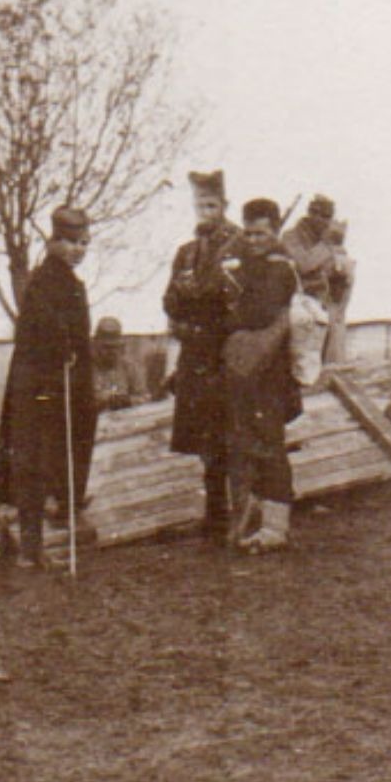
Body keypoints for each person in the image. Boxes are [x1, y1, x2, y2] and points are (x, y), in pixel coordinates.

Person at [0, 206, 97, 569]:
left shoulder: (70, 282)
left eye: (83, 243)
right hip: (41, 388)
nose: (77, 250)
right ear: (54, 242)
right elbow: (41, 332)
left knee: (54, 460)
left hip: (62, 382)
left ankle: (41, 545)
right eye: (69, 242)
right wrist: (61, 347)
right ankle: (32, 548)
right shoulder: (43, 282)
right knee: (36, 462)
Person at [163, 169, 243, 540]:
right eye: (200, 205)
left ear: (224, 206)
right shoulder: (187, 252)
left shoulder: (240, 247)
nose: (205, 212)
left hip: (224, 355)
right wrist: (183, 319)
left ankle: (237, 513)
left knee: (230, 434)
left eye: (211, 205)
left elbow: (239, 302)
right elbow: (169, 301)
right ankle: (214, 514)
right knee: (205, 440)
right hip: (195, 355)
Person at [223, 197, 303, 553]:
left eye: (261, 234)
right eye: (249, 233)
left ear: (275, 231)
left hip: (270, 373)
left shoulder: (279, 269)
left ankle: (275, 527)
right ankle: (254, 518)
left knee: (269, 445)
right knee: (248, 442)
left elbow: (258, 313)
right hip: (247, 371)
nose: (254, 240)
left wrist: (235, 307)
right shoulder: (248, 267)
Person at [282, 193, 341, 308]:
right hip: (297, 300)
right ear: (311, 214)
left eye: (329, 217)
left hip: (323, 302)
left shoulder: (326, 240)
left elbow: (338, 271)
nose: (326, 222)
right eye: (323, 216)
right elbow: (303, 265)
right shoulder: (290, 236)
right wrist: (327, 244)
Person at [91, 317, 149, 412]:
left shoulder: (129, 367)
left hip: (124, 421)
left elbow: (144, 397)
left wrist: (127, 401)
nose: (111, 351)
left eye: (115, 347)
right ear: (95, 344)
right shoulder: (85, 369)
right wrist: (102, 400)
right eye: (106, 347)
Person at [323, 218, 356, 364]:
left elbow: (336, 288)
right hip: (337, 313)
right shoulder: (345, 260)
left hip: (331, 309)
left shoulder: (336, 260)